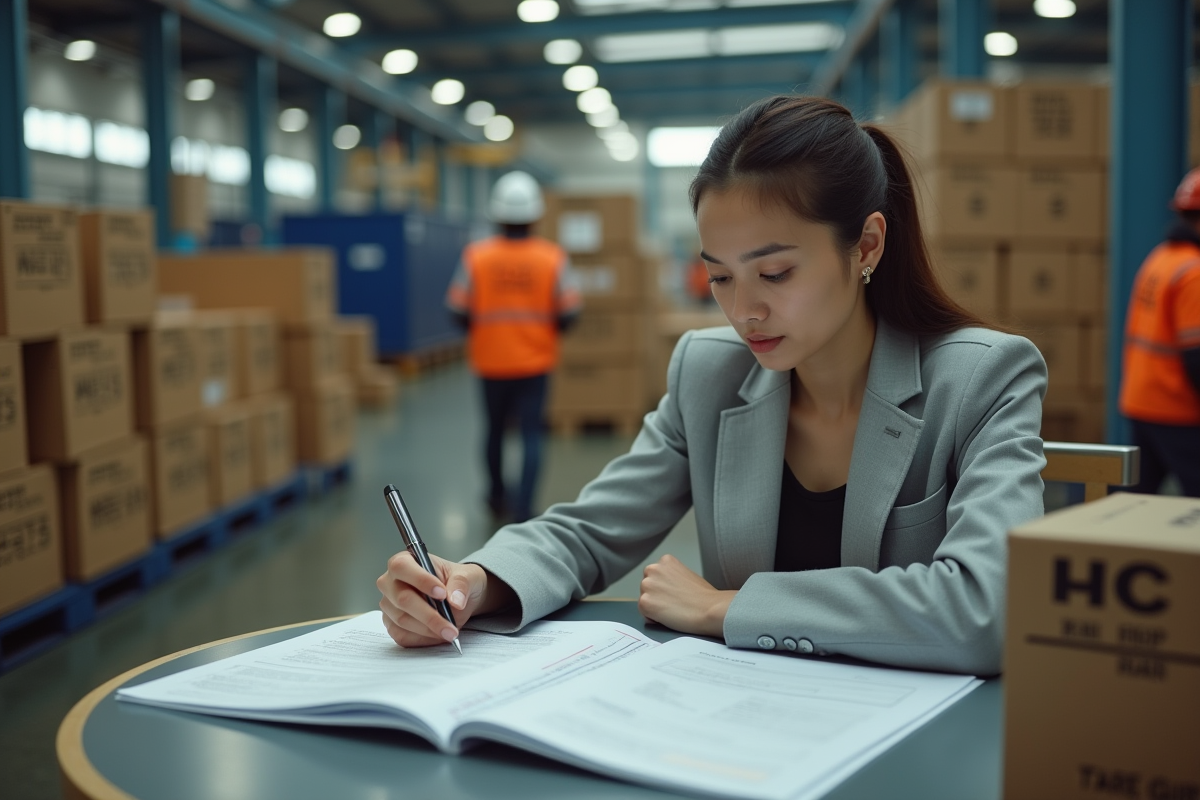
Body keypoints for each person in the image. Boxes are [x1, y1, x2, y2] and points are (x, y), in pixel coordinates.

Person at [386, 97, 1047, 676]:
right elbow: (589, 533)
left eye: (776, 273)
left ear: (867, 246)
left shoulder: (981, 379)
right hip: (744, 727)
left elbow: (987, 610)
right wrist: (474, 581)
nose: (743, 312)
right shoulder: (710, 372)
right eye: (721, 277)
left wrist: (724, 607)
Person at [445, 171, 582, 524]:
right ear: (536, 214)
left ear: (496, 213)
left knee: (492, 431)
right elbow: (570, 314)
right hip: (535, 361)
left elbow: (456, 310)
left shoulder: (476, 256)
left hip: (490, 361)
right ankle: (523, 508)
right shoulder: (552, 257)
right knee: (531, 434)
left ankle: (495, 498)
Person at [1118, 167, 1200, 497]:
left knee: (1135, 499)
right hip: (1176, 408)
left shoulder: (1161, 257)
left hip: (1142, 400)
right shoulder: (1193, 273)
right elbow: (1196, 359)